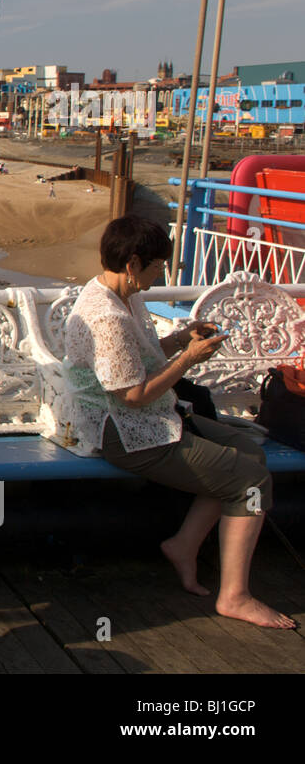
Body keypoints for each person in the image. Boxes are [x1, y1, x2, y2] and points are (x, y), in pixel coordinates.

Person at [63, 216, 296, 629]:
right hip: (124, 431)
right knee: (251, 481)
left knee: (247, 452)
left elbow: (142, 354)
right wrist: (188, 360)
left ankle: (184, 546)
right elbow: (133, 396)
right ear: (133, 263)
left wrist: (181, 338)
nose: (161, 273)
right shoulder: (108, 316)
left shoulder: (121, 294)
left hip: (142, 417)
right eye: (157, 266)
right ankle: (234, 596)